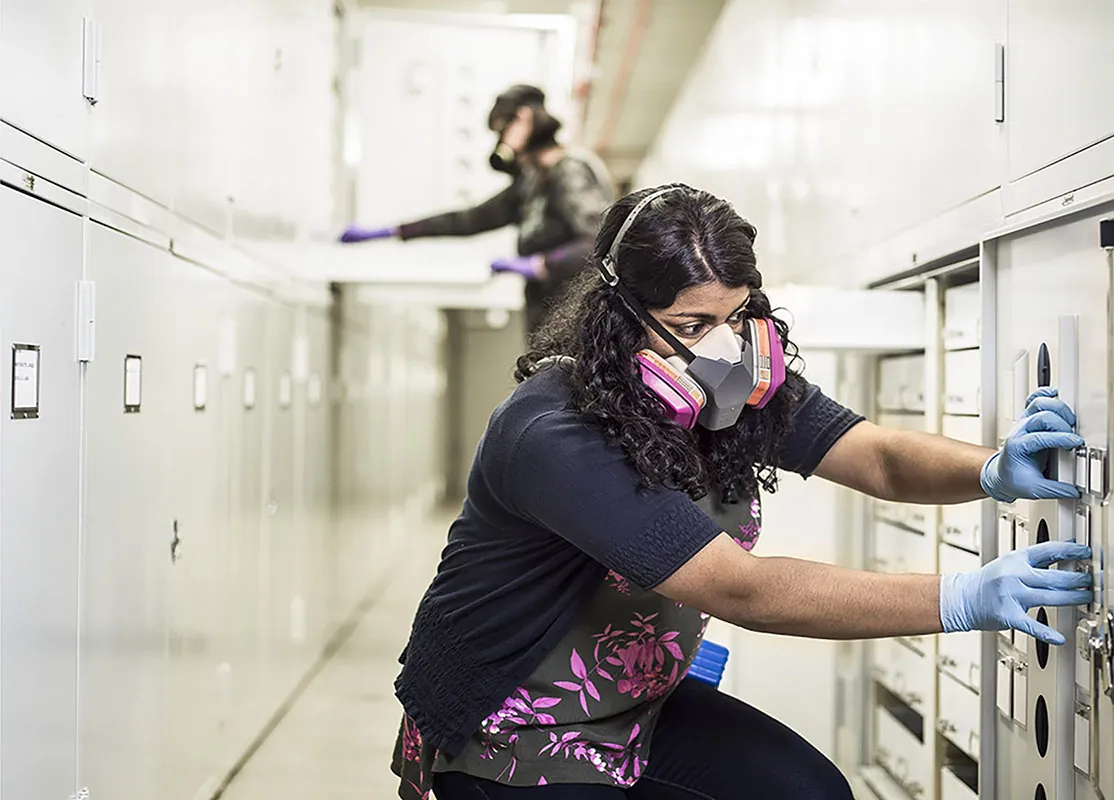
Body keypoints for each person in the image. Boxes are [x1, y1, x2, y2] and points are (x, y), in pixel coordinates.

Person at [390, 184, 1093, 799]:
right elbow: (742, 590)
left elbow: (876, 457)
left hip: (637, 708)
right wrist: (963, 598)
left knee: (812, 793)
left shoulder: (729, 385)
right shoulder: (553, 432)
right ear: (622, 317)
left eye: (735, 315)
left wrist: (990, 468)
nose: (722, 347)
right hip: (513, 730)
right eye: (693, 326)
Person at [339, 84, 614, 335]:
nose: (500, 142)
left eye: (500, 131)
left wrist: (543, 265)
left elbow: (597, 243)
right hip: (547, 320)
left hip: (576, 322)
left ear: (522, 120)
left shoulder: (569, 172)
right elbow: (469, 220)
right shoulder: (532, 183)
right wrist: (394, 232)